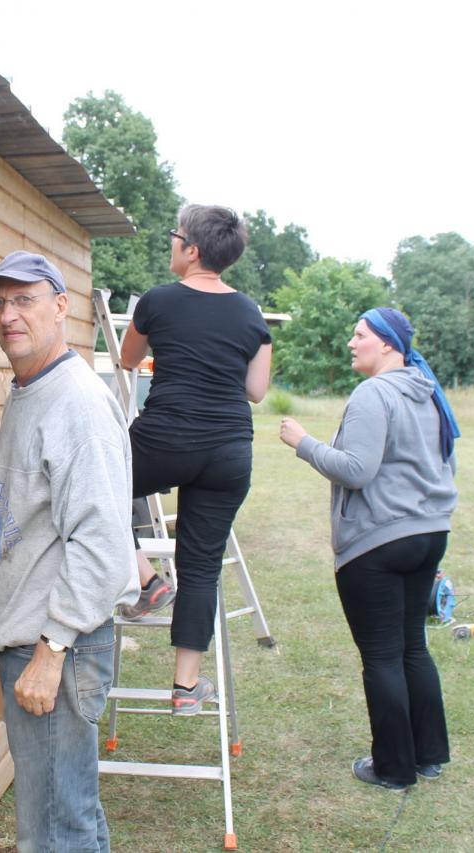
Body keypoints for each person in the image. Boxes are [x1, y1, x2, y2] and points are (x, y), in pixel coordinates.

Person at [0, 250, 139, 852]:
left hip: (53, 645)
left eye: (24, 299)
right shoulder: (31, 391)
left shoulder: (76, 403)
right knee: (69, 813)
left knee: (51, 832)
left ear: (61, 306)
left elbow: (99, 543)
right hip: (30, 640)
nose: (8, 315)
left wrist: (50, 652)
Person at [278, 307, 460, 789]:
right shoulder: (428, 391)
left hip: (379, 542)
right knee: (412, 648)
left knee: (382, 657)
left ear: (386, 343)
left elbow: (356, 469)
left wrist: (302, 442)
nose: (351, 343)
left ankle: (395, 770)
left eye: (359, 335)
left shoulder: (373, 394)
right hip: (428, 536)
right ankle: (429, 754)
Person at [118, 204, 272, 715]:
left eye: (174, 235)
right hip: (229, 450)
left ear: (193, 249)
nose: (171, 243)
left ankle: (146, 580)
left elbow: (126, 358)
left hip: (167, 438)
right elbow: (256, 390)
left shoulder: (158, 302)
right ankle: (186, 687)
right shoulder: (251, 313)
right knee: (202, 565)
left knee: (91, 488)